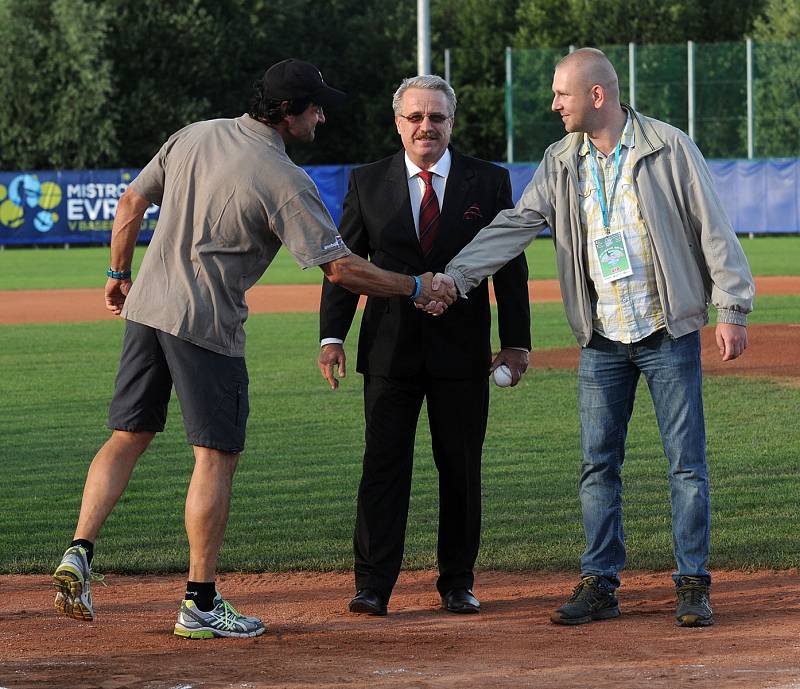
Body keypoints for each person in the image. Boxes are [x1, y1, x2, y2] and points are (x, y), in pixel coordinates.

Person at [51, 58, 456, 639]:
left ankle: (78, 552)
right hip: (206, 325)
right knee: (214, 458)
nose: (322, 116)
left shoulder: (195, 134)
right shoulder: (284, 178)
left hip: (145, 311)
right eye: (315, 107)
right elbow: (340, 268)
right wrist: (415, 285)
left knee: (128, 437)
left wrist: (118, 271)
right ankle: (200, 601)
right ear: (288, 114)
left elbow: (129, 205)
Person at [445, 48, 754, 627]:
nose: (553, 103)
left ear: (596, 95)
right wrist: (456, 276)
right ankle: (601, 582)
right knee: (596, 465)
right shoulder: (561, 159)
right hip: (601, 336)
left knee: (686, 465)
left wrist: (731, 306)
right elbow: (518, 223)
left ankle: (692, 583)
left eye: (562, 93)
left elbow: (712, 224)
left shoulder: (668, 145)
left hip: (667, 329)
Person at [318, 75, 530, 616]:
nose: (425, 127)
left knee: (460, 468)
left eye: (436, 117)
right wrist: (332, 336)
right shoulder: (367, 182)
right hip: (389, 352)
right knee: (383, 467)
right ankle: (372, 585)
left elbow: (510, 266)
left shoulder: (488, 182)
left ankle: (457, 581)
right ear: (398, 123)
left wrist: (517, 343)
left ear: (451, 123)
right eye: (415, 117)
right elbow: (344, 265)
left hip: (462, 352)